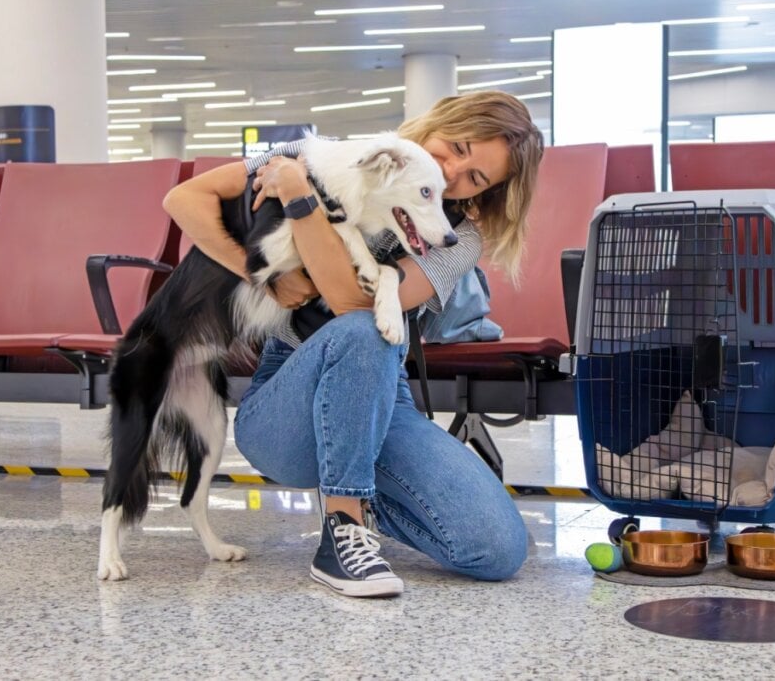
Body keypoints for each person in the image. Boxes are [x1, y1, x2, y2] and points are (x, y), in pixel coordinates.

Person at [162, 90, 544, 598]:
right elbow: (183, 199)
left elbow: (348, 303)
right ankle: (343, 533)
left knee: (496, 549)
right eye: (455, 146)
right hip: (287, 396)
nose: (451, 173)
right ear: (437, 124)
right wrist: (261, 277)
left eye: (475, 178)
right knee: (370, 329)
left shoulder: (459, 239)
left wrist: (300, 200)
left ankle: (360, 490)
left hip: (382, 396)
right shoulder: (325, 155)